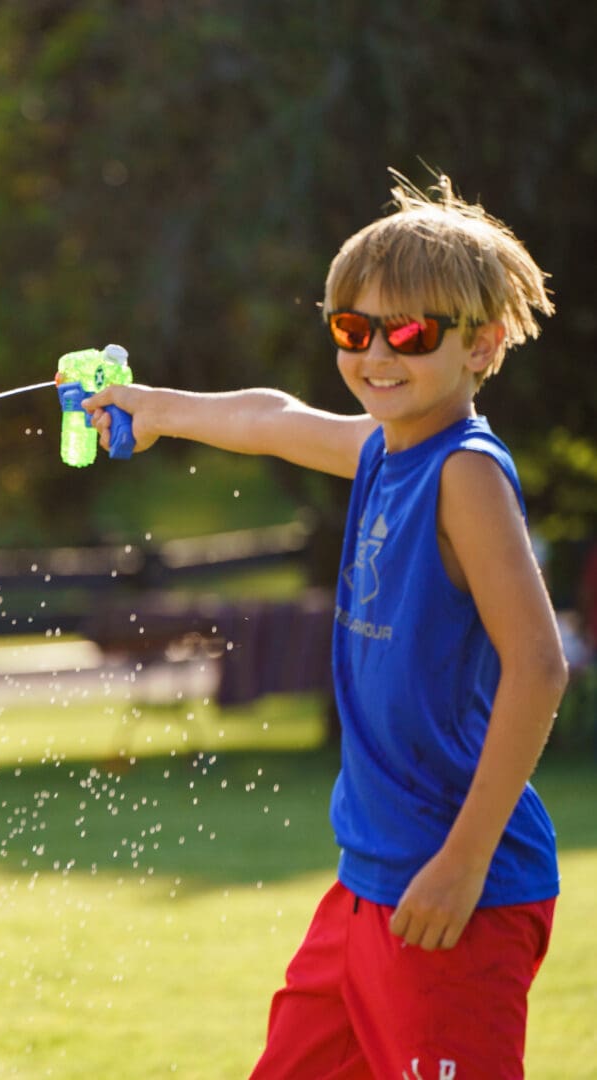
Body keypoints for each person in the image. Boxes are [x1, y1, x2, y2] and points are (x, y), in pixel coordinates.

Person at [86, 172, 566, 1078]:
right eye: (354, 329)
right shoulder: (386, 446)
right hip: (364, 886)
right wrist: (156, 409)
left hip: (453, 893)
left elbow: (537, 667)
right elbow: (273, 418)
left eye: (411, 332)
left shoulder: (462, 472)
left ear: (482, 344)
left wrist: (462, 864)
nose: (377, 353)